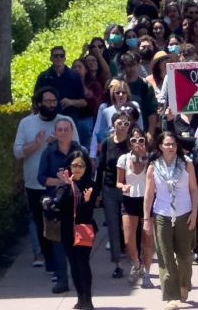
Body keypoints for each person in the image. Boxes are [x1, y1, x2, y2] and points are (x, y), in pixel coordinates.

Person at [13, 87, 79, 277]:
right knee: (40, 224)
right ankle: (49, 261)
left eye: (53, 101)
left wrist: (60, 140)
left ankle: (61, 263)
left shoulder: (65, 123)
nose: (50, 105)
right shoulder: (26, 123)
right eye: (47, 101)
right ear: (39, 103)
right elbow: (17, 152)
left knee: (62, 223)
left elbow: (78, 148)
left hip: (61, 185)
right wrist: (35, 144)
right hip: (35, 183)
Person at [143, 131, 198, 309]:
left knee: (184, 257)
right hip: (162, 215)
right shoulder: (153, 166)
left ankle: (184, 285)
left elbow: (194, 190)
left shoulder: (186, 164)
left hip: (184, 214)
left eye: (173, 144)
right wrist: (146, 219)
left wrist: (195, 213)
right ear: (160, 146)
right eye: (167, 144)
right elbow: (149, 194)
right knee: (165, 257)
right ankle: (170, 296)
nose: (171, 147)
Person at [38, 116, 85, 294]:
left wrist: (72, 181)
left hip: (76, 204)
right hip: (56, 204)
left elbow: (88, 174)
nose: (63, 133)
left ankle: (80, 279)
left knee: (79, 243)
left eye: (67, 129)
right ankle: (62, 279)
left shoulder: (80, 151)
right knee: (57, 243)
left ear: (72, 132)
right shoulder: (48, 153)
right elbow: (41, 178)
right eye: (60, 130)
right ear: (55, 133)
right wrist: (59, 182)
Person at [53, 150, 96, 310]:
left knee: (83, 263)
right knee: (73, 265)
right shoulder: (65, 184)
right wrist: (66, 185)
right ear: (69, 167)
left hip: (84, 229)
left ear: (86, 168)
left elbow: (88, 212)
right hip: (67, 231)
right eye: (74, 165)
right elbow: (58, 204)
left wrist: (85, 201)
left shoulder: (90, 184)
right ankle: (80, 299)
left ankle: (88, 300)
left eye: (81, 165)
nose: (77, 169)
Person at [117, 126, 155, 288]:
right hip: (129, 200)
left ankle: (146, 272)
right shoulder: (124, 159)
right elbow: (119, 181)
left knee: (147, 238)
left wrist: (144, 156)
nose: (137, 143)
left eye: (141, 140)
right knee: (128, 238)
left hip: (147, 201)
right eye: (134, 140)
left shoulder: (151, 158)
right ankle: (136, 263)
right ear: (129, 143)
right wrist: (122, 186)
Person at [95, 111, 132, 279]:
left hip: (129, 190)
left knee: (130, 227)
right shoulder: (106, 143)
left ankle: (135, 260)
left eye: (126, 123)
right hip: (110, 189)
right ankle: (117, 264)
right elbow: (100, 168)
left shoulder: (133, 143)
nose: (123, 127)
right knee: (113, 227)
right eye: (119, 123)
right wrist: (96, 193)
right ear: (113, 125)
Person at [34, 46, 87, 140]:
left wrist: (71, 102)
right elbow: (36, 101)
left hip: (69, 118)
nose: (58, 58)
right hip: (48, 119)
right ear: (51, 58)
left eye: (61, 56)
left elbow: (84, 102)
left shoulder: (74, 77)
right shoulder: (43, 77)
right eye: (55, 56)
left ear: (65, 58)